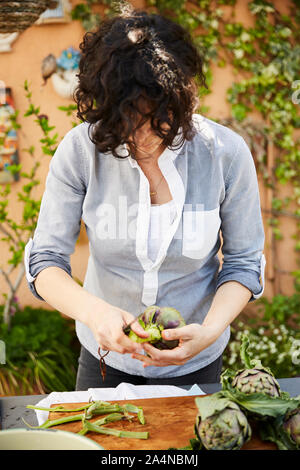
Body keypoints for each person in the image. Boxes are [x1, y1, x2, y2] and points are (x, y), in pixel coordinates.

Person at [24, 6, 266, 390]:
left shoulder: (226, 153)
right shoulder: (78, 151)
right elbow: (45, 261)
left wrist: (209, 329)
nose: (143, 138)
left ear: (182, 100)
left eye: (158, 119)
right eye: (126, 121)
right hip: (105, 360)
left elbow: (244, 263)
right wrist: (95, 312)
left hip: (198, 361)